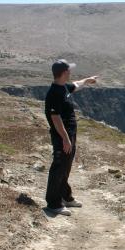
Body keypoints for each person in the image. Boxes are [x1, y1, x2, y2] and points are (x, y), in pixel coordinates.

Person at [44, 59, 98, 216]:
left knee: (65, 167)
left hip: (69, 134)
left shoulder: (63, 88)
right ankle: (53, 204)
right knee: (59, 167)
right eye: (69, 70)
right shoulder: (54, 93)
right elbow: (55, 118)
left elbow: (76, 84)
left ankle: (65, 197)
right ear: (64, 73)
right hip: (62, 136)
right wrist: (65, 139)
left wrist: (88, 80)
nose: (71, 73)